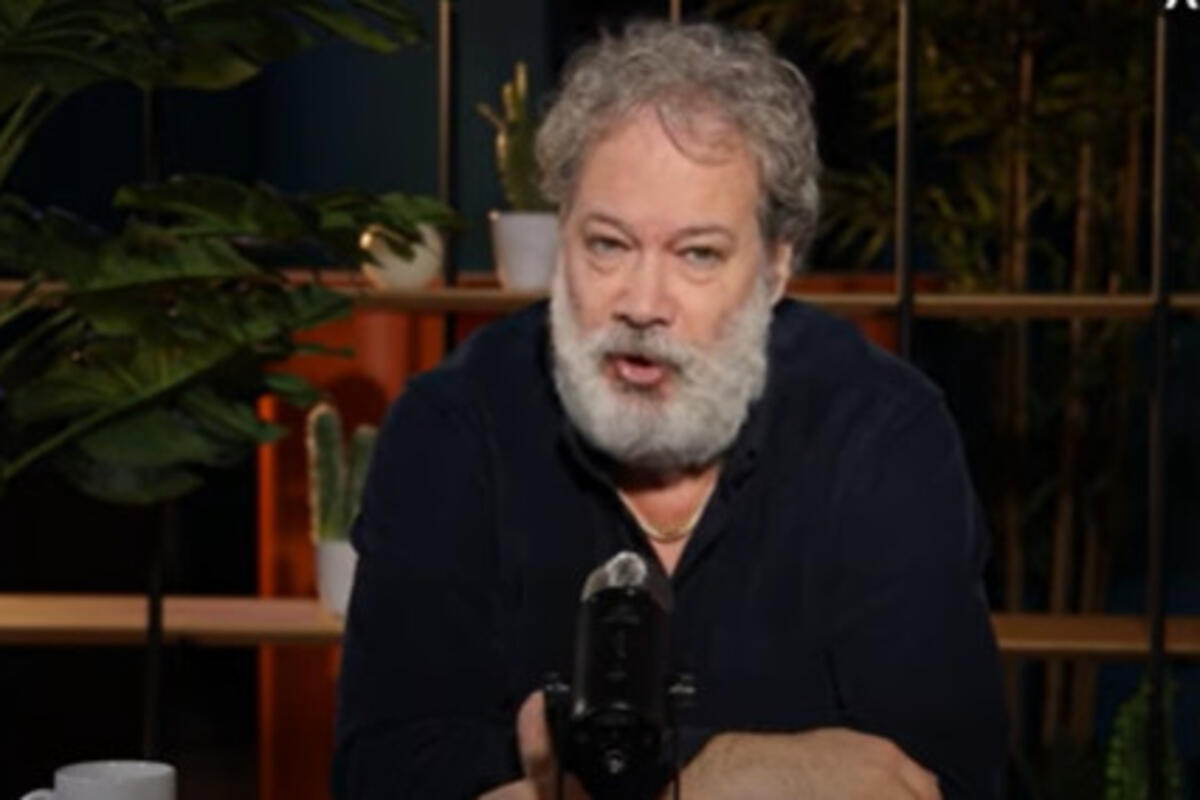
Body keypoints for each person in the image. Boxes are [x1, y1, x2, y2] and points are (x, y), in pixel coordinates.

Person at [333, 20, 1007, 800]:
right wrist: (726, 772)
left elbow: (943, 780)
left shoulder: (882, 430)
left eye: (697, 254)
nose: (642, 303)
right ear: (562, 236)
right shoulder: (452, 426)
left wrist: (565, 784)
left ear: (777, 266)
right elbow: (382, 774)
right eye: (608, 245)